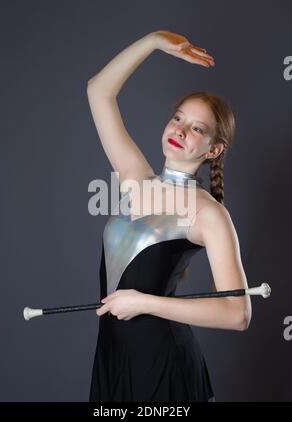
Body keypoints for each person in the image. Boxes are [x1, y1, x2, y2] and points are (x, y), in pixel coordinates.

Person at [86, 30, 252, 402]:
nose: (179, 130)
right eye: (178, 118)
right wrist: (154, 42)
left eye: (197, 128)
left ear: (214, 149)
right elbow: (98, 91)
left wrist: (144, 303)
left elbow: (237, 313)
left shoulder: (209, 213)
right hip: (112, 359)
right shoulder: (135, 177)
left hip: (164, 367)